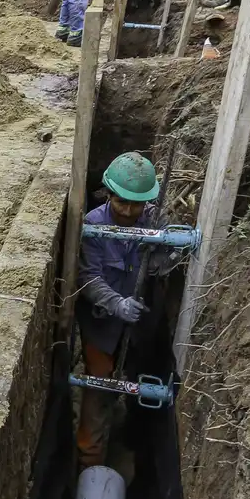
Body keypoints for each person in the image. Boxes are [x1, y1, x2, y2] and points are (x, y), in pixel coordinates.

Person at [76, 152, 167, 468]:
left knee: (136, 378)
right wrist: (116, 304)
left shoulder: (156, 222)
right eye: (121, 202)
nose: (128, 211)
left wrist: (161, 257)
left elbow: (171, 258)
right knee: (98, 387)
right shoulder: (92, 225)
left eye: (136, 204)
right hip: (102, 326)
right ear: (108, 194)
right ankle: (89, 460)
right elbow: (88, 277)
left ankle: (131, 440)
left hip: (140, 326)